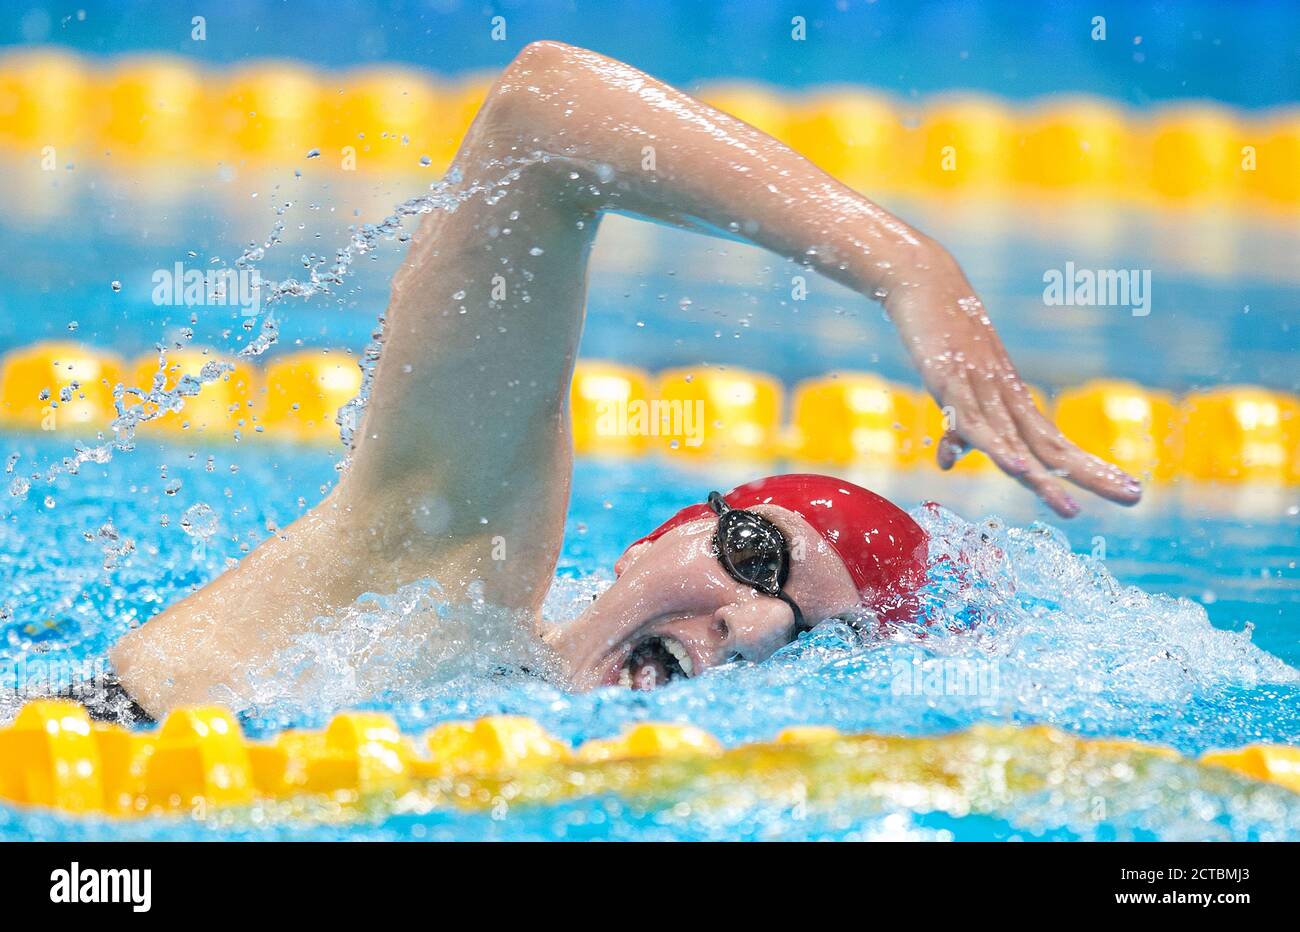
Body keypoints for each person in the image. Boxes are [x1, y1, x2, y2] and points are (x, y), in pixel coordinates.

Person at [101, 41, 1140, 720]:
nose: (754, 623)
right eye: (752, 550)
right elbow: (543, 115)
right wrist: (907, 265)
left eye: (818, 640)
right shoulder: (448, 565)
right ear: (657, 534)